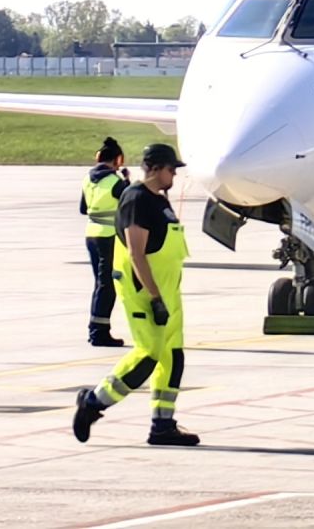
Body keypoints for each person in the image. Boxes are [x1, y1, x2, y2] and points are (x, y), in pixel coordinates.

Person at [72, 142, 199, 447]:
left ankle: (162, 425)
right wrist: (155, 298)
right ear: (155, 168)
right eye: (171, 170)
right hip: (147, 293)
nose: (174, 176)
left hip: (169, 293)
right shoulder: (137, 200)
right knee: (147, 356)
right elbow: (136, 254)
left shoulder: (159, 200)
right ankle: (93, 402)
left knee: (173, 358)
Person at [79, 137, 129, 346]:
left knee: (101, 284)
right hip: (109, 237)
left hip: (91, 234)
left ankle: (97, 328)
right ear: (118, 159)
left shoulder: (88, 179)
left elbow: (83, 209)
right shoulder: (115, 182)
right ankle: (98, 331)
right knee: (107, 285)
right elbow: (129, 204)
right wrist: (126, 183)